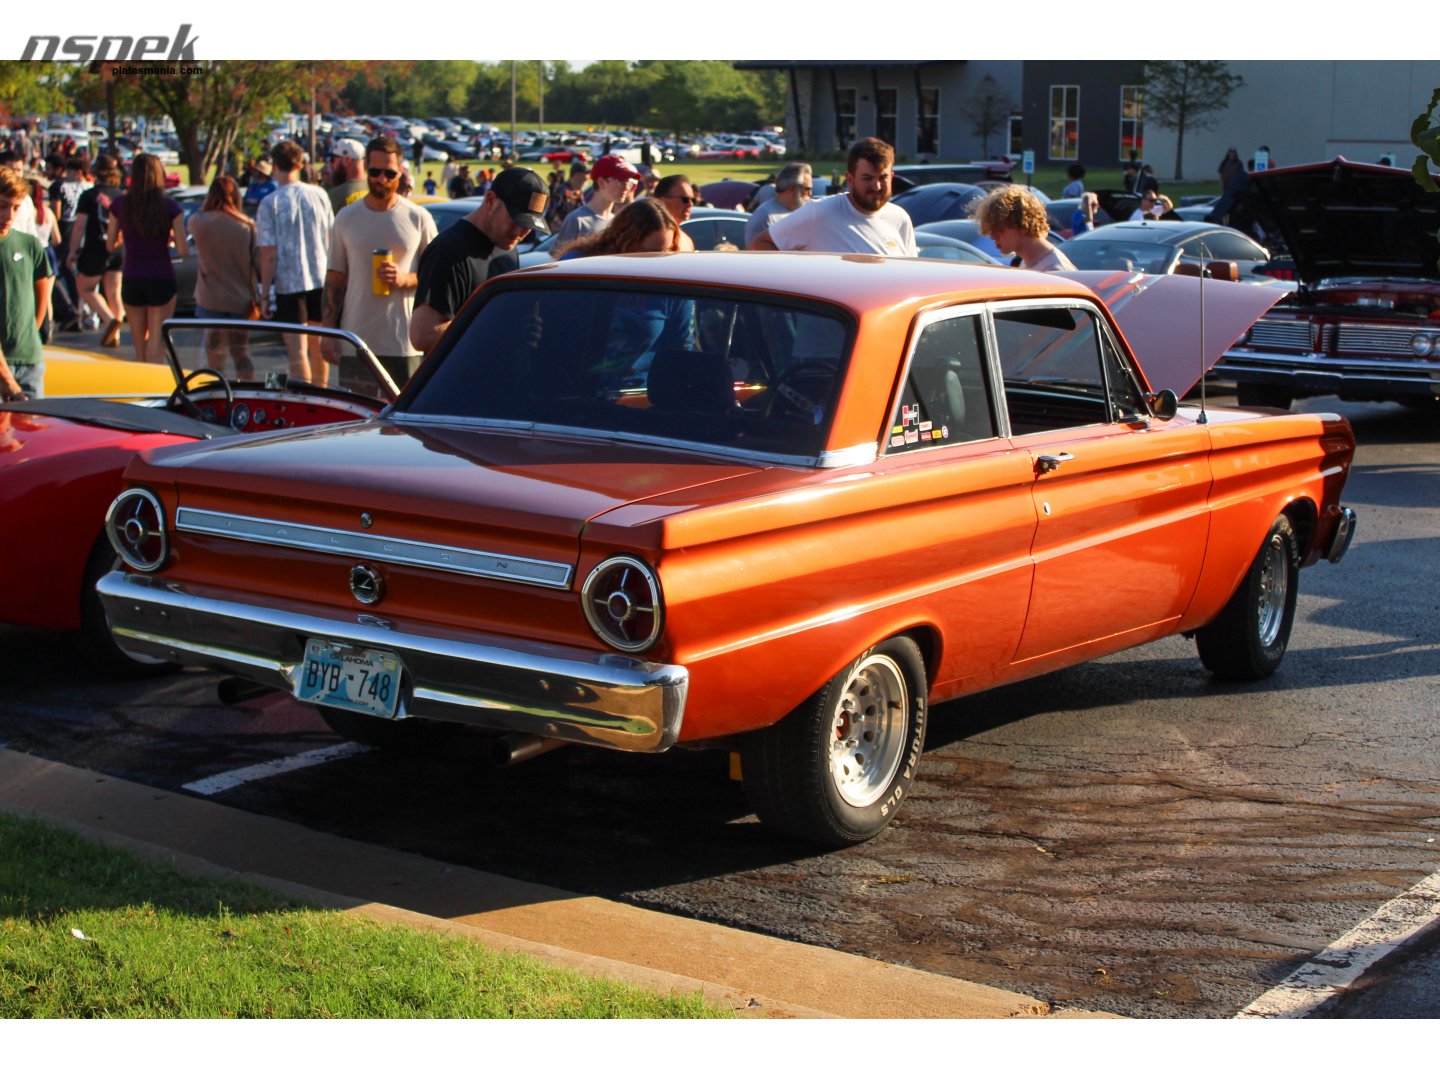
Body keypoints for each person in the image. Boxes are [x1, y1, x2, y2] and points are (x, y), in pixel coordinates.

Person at [321, 135, 438, 386]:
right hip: (357, 341)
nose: (382, 179)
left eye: (389, 173)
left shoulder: (418, 218)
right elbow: (335, 279)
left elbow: (437, 277)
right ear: (365, 168)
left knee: (402, 422)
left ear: (401, 172)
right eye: (375, 172)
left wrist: (403, 279)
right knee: (357, 420)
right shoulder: (346, 217)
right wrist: (328, 333)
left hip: (403, 343)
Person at [409, 167, 548, 354]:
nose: (519, 232)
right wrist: (496, 325)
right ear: (490, 200)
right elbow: (423, 335)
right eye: (515, 220)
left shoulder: (508, 249)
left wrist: (523, 323)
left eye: (528, 225)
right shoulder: (450, 251)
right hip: (460, 379)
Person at [753, 137, 916, 256]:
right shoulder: (819, 213)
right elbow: (760, 245)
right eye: (867, 178)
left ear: (892, 177)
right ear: (850, 179)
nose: (876, 186)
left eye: (883, 178)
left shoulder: (899, 218)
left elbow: (910, 276)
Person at [256, 139, 335, 382]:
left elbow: (268, 253)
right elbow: (331, 236)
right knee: (318, 346)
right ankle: (322, 393)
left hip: (289, 284)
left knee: (297, 351)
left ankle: (307, 397)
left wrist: (265, 292)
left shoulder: (270, 203)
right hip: (320, 277)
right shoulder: (319, 194)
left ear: (274, 166)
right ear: (300, 164)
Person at [106, 153, 187, 363]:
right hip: (161, 276)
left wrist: (130, 234)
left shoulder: (120, 205)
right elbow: (183, 250)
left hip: (132, 275)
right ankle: (155, 387)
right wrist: (166, 238)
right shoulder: (170, 207)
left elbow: (110, 244)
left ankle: (140, 385)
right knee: (158, 340)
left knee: (138, 345)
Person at [189, 175, 259, 378]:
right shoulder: (247, 226)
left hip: (211, 300)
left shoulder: (199, 222)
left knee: (215, 357)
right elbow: (257, 263)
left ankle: (217, 394)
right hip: (241, 300)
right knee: (241, 353)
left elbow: (197, 215)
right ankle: (247, 390)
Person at [0, 166, 55, 401]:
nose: (9, 216)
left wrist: (32, 332)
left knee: (34, 437)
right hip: (5, 369)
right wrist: (9, 384)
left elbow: (42, 290)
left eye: (15, 207)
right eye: (2, 206)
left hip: (30, 361)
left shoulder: (30, 245)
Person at [67, 154, 125, 348]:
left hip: (95, 247)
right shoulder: (121, 196)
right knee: (114, 292)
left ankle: (109, 320)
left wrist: (72, 251)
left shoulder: (89, 196)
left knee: (84, 287)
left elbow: (79, 226)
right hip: (118, 249)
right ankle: (114, 334)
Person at [974, 185, 1075, 271]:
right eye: (991, 230)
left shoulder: (1055, 270)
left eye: (999, 229)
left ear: (1024, 225)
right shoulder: (1028, 262)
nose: (993, 236)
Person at [552, 153, 641, 248]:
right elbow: (559, 259)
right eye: (620, 182)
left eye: (629, 183)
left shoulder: (616, 222)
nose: (626, 188)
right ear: (601, 182)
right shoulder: (577, 220)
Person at [557, 198, 681, 258]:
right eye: (652, 253)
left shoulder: (671, 280)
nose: (661, 259)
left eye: (668, 251)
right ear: (625, 241)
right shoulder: (579, 264)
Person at [745, 161, 813, 248]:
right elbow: (753, 253)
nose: (810, 193)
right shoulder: (764, 216)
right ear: (793, 189)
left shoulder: (803, 213)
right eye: (807, 189)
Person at [652, 174, 698, 251]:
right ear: (660, 200)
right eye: (685, 199)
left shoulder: (686, 240)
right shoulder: (649, 237)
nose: (690, 204)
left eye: (693, 200)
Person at [326, 138, 367, 213]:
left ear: (346, 160)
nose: (332, 165)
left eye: (333, 159)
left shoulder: (336, 196)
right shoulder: (376, 188)